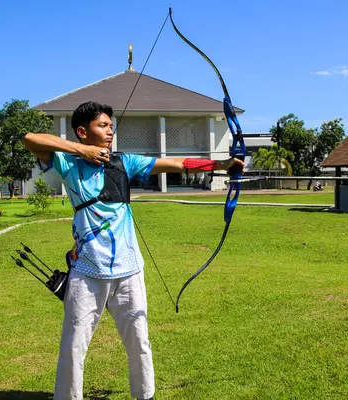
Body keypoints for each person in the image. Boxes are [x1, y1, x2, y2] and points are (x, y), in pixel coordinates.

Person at [23, 101, 244, 400]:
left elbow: (178, 164)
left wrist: (221, 165)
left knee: (139, 341)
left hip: (129, 270)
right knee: (74, 345)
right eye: (102, 125)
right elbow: (29, 139)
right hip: (88, 272)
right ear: (82, 131)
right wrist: (81, 150)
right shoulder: (67, 163)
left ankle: (145, 396)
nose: (110, 130)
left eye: (111, 126)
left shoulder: (124, 162)